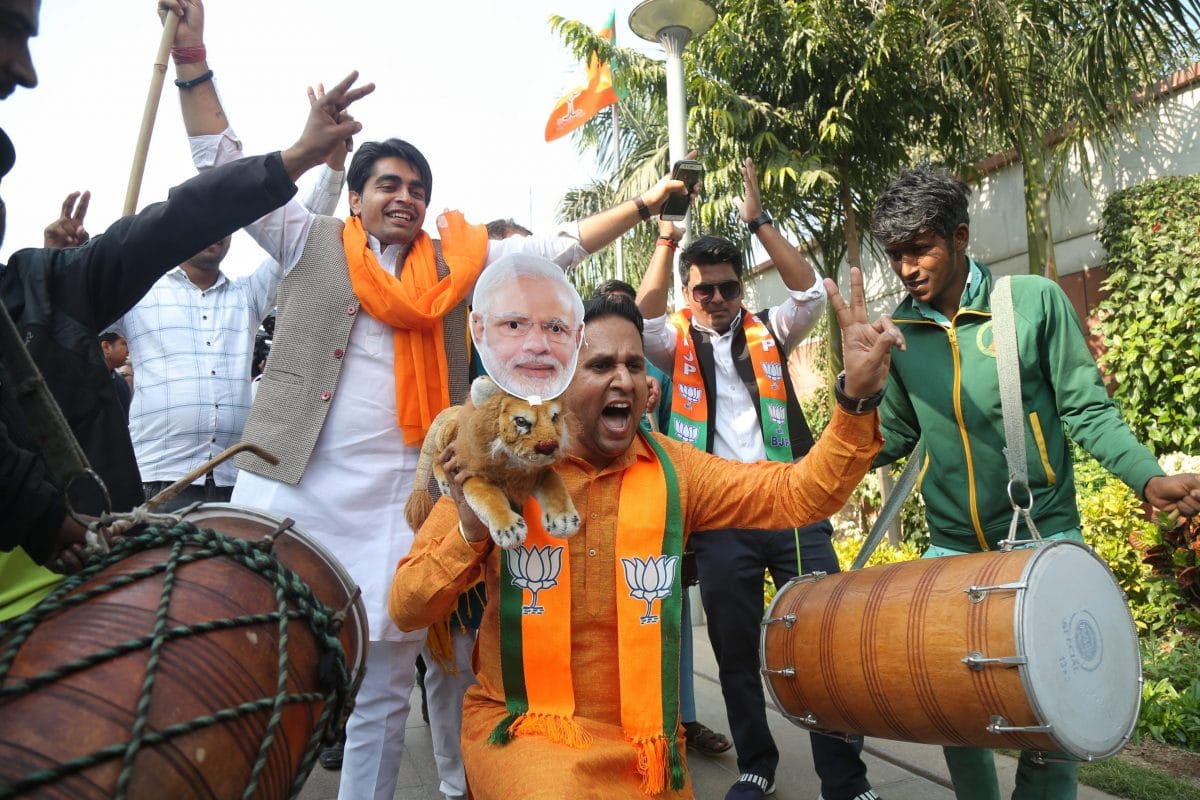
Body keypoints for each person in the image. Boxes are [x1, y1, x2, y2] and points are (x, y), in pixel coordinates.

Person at [158, 3, 695, 798]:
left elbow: (556, 246)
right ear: (358, 197)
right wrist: (192, 58)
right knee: (255, 670)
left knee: (384, 680)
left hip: (403, 502)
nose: (404, 197)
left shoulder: (461, 265)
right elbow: (223, 165)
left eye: (417, 187)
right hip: (291, 490)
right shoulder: (306, 239)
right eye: (387, 185)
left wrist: (646, 208)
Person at [389, 266, 900, 799]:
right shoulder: (503, 467)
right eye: (601, 365)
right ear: (561, 383)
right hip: (525, 732)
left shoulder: (676, 471)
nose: (624, 380)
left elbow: (802, 494)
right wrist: (470, 528)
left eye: (634, 365)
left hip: (650, 752)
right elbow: (407, 606)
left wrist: (856, 399)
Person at [0, 0, 370, 613]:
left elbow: (289, 240)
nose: (26, 71)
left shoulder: (241, 293)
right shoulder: (126, 300)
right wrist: (35, 512)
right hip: (156, 483)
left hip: (228, 489)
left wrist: (304, 162)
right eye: (12, 32)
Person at [868, 165, 1200, 800]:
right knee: (957, 709)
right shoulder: (898, 334)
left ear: (959, 236)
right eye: (896, 255)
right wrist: (842, 415)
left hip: (1043, 537)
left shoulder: (1031, 302)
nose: (907, 268)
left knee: (1050, 719)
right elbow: (892, 437)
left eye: (919, 249)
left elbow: (1086, 408)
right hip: (951, 553)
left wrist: (1147, 478)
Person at [636, 158, 879, 800]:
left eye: (726, 287)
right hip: (719, 519)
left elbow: (808, 292)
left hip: (794, 506)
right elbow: (642, 317)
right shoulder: (674, 345)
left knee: (824, 642)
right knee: (737, 652)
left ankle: (846, 781)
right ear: (690, 293)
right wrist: (667, 234)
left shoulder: (768, 328)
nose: (715, 299)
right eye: (704, 290)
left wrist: (759, 222)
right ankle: (756, 765)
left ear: (741, 287)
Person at [104, 115, 346, 513]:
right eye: (202, 223)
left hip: (234, 479)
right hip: (157, 478)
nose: (213, 232)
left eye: (223, 224)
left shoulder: (247, 296)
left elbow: (304, 234)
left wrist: (333, 168)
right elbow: (79, 313)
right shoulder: (139, 290)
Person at [591, 277, 731, 758]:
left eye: (632, 359)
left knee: (666, 612)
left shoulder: (664, 369)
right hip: (600, 517)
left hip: (657, 507)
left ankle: (681, 721)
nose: (623, 372)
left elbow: (682, 433)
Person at [469, 254, 584, 400]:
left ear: (577, 338)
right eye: (514, 325)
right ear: (479, 329)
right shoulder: (458, 421)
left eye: (556, 328)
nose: (537, 346)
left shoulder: (585, 415)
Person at [97, 332, 133, 415]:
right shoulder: (83, 377)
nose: (129, 350)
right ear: (106, 347)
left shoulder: (121, 383)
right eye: (124, 344)